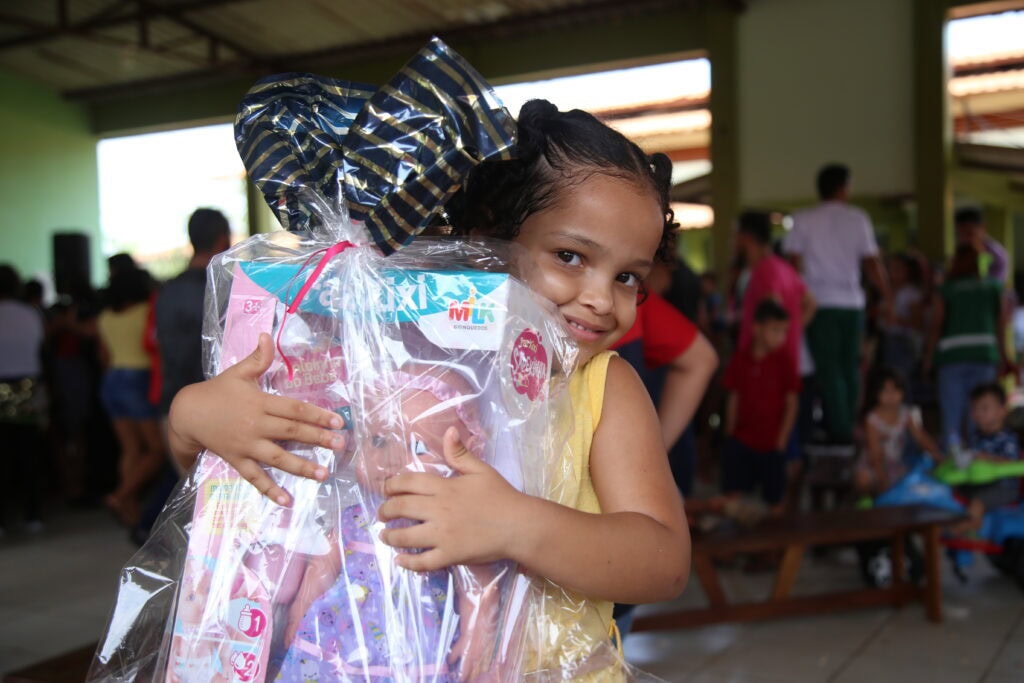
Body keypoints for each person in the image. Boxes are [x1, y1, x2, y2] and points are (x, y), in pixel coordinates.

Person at [167, 100, 690, 676]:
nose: (600, 297)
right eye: (570, 256)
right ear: (485, 240)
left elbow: (662, 560)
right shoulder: (391, 361)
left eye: (627, 277)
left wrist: (516, 525)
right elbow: (243, 484)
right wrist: (193, 419)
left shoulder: (604, 389)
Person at [783, 164, 890, 443]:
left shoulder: (804, 219)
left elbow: (794, 264)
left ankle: (840, 428)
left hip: (818, 304)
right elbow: (871, 262)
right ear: (844, 188)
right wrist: (887, 295)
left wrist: (797, 299)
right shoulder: (858, 219)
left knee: (829, 369)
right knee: (849, 367)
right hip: (852, 304)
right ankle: (847, 426)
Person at [96, 264, 164, 526]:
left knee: (130, 449)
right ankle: (120, 495)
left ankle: (130, 513)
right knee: (157, 450)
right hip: (138, 379)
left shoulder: (106, 317)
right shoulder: (147, 311)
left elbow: (103, 356)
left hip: (111, 379)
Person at [924, 244, 1010, 449]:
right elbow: (1001, 323)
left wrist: (928, 358)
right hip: (984, 356)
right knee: (981, 414)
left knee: (951, 416)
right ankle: (979, 459)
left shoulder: (946, 289)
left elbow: (936, 325)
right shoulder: (993, 287)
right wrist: (1004, 355)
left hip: (951, 359)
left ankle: (953, 463)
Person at [721, 299, 800, 511]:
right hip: (741, 439)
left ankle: (776, 542)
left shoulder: (785, 361)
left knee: (775, 498)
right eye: (775, 330)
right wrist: (730, 430)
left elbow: (792, 403)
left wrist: (783, 439)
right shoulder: (740, 359)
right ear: (756, 328)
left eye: (784, 331)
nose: (780, 337)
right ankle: (735, 540)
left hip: (772, 443)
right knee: (733, 494)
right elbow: (733, 397)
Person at [0, 264, 46, 535]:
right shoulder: (30, 313)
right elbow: (42, 349)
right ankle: (33, 514)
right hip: (28, 387)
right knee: (29, 454)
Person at [854, 368, 942, 496]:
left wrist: (937, 455)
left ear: (902, 392)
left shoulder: (906, 414)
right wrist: (883, 481)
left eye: (895, 390)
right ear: (876, 393)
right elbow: (875, 455)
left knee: (923, 477)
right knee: (863, 480)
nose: (891, 396)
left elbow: (921, 437)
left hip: (894, 465)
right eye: (885, 391)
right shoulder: (872, 419)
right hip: (872, 465)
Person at [960, 382, 1020, 531]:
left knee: (978, 501)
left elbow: (1013, 463)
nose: (978, 413)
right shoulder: (976, 437)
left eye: (984, 408)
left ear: (1001, 411)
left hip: (1004, 487)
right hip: (979, 483)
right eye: (975, 408)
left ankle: (969, 525)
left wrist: (988, 458)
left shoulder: (1007, 439)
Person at [879, 253, 926, 388]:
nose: (892, 272)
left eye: (898, 269)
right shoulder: (888, 292)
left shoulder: (911, 294)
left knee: (900, 382)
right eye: (891, 268)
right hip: (886, 340)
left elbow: (919, 323)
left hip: (903, 343)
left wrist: (897, 320)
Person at [955, 207, 1008, 283]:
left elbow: (985, 283)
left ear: (983, 227)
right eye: (961, 234)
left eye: (970, 233)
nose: (965, 239)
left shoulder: (995, 254)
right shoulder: (962, 250)